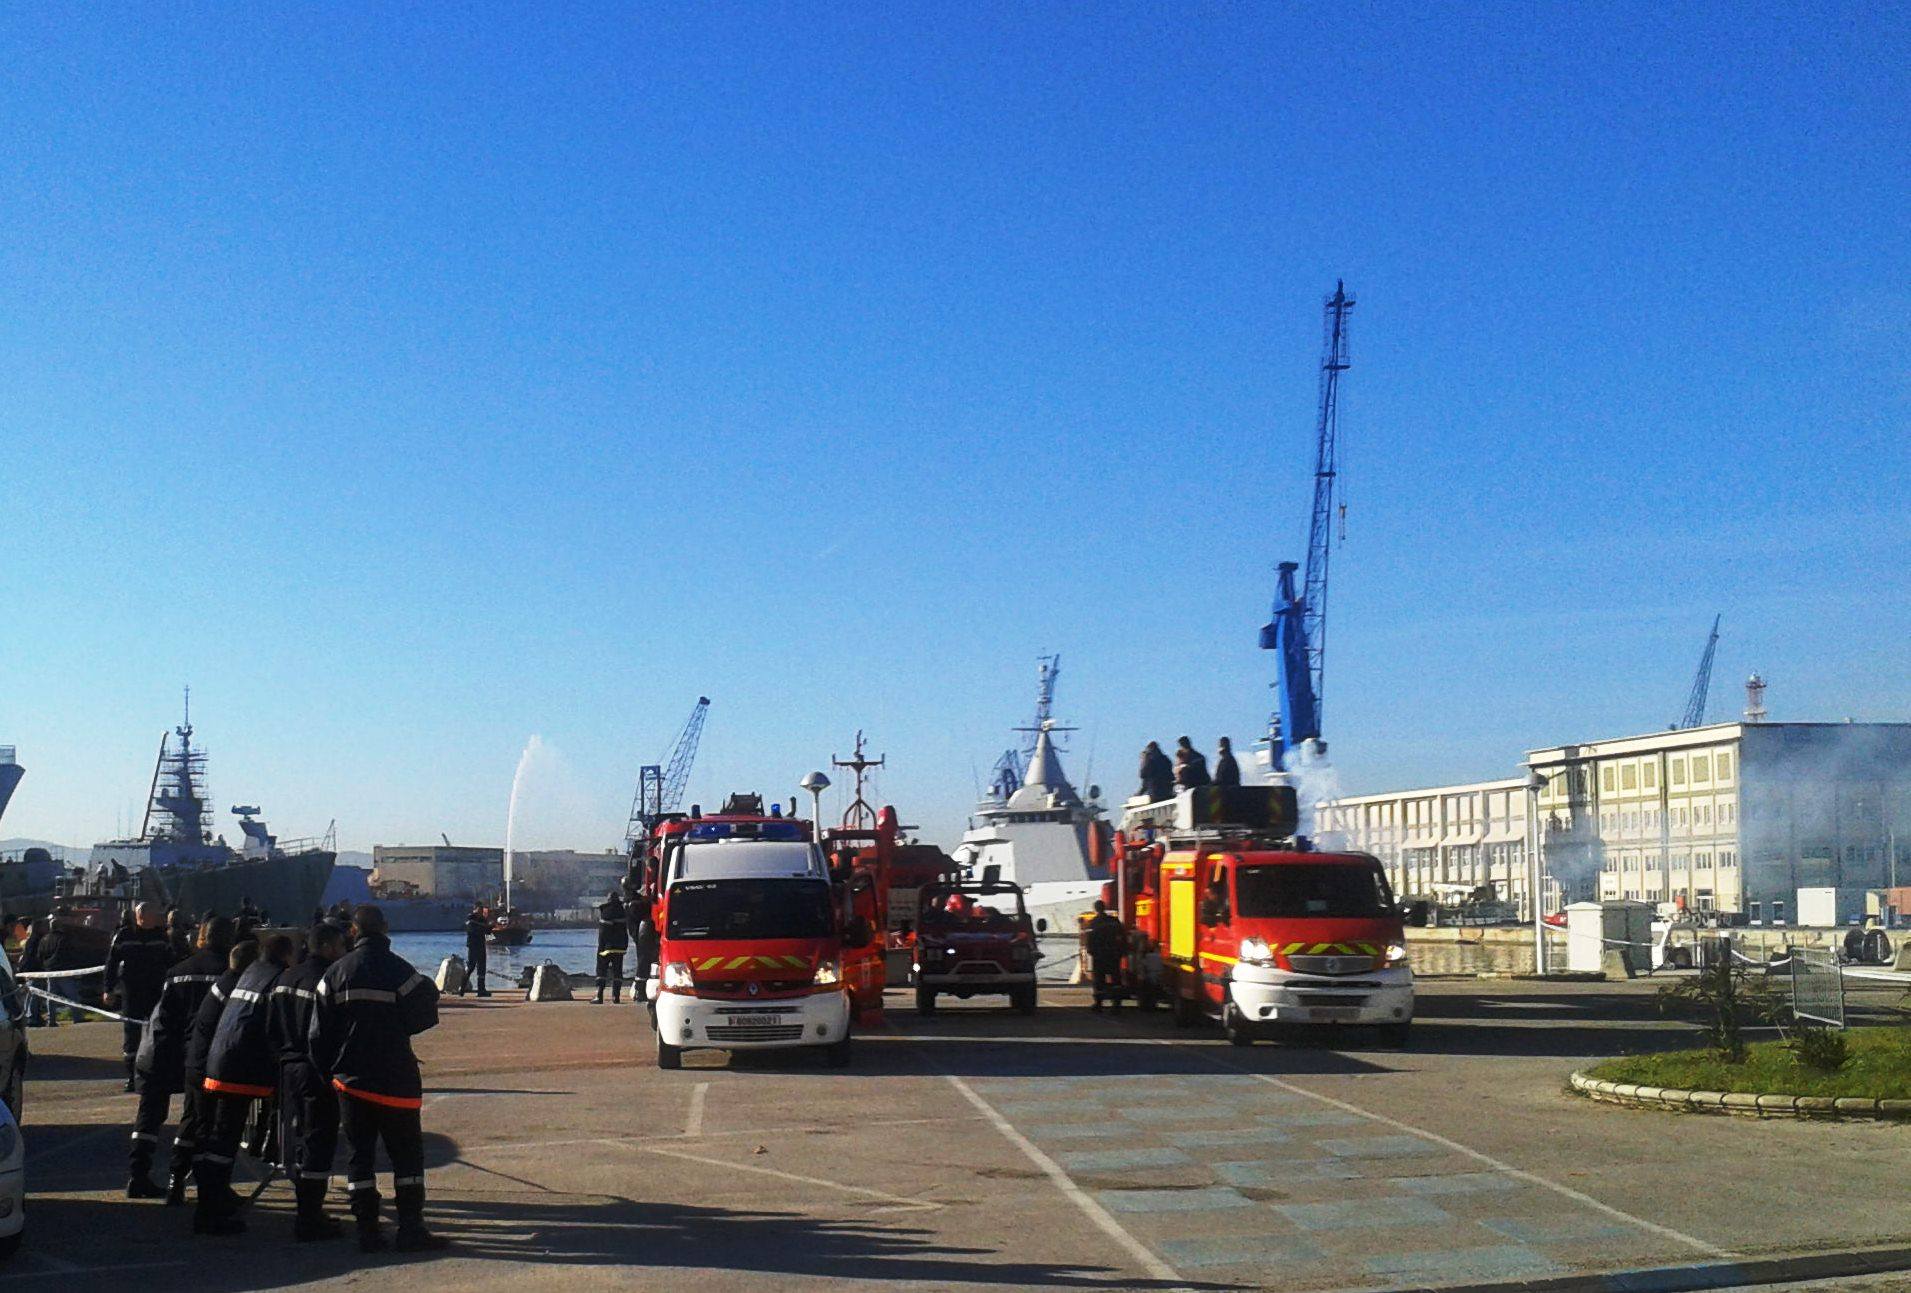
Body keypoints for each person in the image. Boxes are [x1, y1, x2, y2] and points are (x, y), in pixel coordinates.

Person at [311, 905, 446, 1252]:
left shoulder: (335, 973)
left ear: (352, 932)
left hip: (351, 1081)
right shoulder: (401, 971)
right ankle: (411, 1228)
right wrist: (394, 1029)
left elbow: (318, 1034)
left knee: (359, 1156)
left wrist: (329, 1071)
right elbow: (424, 1016)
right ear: (384, 928)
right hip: (396, 1079)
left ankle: (367, 1230)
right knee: (407, 1157)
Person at [129, 916, 237, 1202]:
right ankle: (183, 1179)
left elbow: (164, 1015)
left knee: (150, 1113)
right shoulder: (228, 974)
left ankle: (138, 1174)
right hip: (205, 1053)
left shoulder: (178, 971)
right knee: (196, 1116)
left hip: (167, 1048)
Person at [197, 933, 292, 1235]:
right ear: (286, 956)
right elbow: (275, 1026)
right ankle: (210, 1211)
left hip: (223, 1061)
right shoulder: (276, 979)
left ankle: (216, 1197)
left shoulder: (252, 973)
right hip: (241, 1068)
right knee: (224, 1139)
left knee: (223, 1134)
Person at [269, 922, 347, 1241]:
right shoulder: (329, 980)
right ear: (327, 947)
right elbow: (331, 1031)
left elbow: (271, 1027)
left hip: (288, 1069)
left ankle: (308, 1209)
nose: (343, 951)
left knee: (299, 1138)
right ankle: (309, 1216)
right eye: (340, 945)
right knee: (319, 1140)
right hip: (316, 1071)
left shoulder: (286, 977)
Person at [104, 901, 175, 1092]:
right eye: (142, 915)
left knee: (157, 1031)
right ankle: (131, 1076)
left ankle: (157, 1072)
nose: (145, 918)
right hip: (132, 992)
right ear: (137, 916)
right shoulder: (124, 935)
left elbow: (171, 962)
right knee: (132, 1035)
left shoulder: (161, 937)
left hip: (155, 991)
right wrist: (108, 989)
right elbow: (111, 963)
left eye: (149, 914)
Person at [1085, 900, 1126, 1012]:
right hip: (1114, 955)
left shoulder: (1094, 922)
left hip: (1099, 956)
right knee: (1116, 979)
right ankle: (1116, 1004)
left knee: (1099, 980)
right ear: (1104, 907)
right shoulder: (1114, 921)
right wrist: (1121, 951)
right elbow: (1122, 936)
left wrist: (1091, 951)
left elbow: (1090, 940)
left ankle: (1099, 1004)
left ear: (1095, 909)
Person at [594, 891, 629, 1005]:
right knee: (617, 971)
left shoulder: (606, 911)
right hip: (619, 948)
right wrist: (625, 945)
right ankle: (616, 996)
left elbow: (603, 932)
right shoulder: (622, 912)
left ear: (608, 900)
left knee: (601, 970)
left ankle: (599, 995)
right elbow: (625, 931)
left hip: (607, 947)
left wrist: (601, 947)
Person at [18, 919, 47, 1028]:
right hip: (33, 971)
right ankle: (32, 1017)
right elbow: (34, 957)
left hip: (33, 970)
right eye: (43, 926)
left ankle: (34, 1015)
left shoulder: (33, 940)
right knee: (34, 994)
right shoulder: (35, 940)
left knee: (35, 994)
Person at [461, 905, 491, 998]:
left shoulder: (482, 920)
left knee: (482, 968)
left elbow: (488, 934)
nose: (480, 913)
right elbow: (472, 931)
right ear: (474, 910)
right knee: (471, 967)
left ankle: (481, 990)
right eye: (478, 911)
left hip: (481, 945)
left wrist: (490, 927)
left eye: (481, 911)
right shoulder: (470, 920)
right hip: (473, 946)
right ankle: (462, 988)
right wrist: (485, 927)